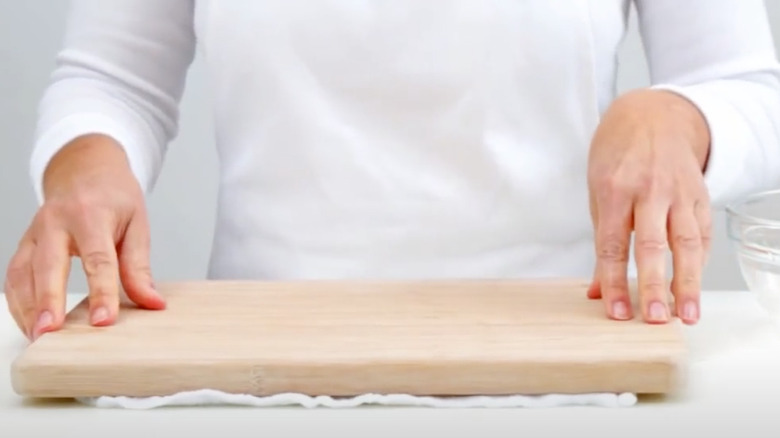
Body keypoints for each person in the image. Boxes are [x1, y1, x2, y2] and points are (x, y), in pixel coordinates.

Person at [5, 0, 780, 341]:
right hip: (257, 373)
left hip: (566, 358)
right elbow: (113, 79)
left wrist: (679, 115)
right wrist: (88, 159)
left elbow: (749, 88)